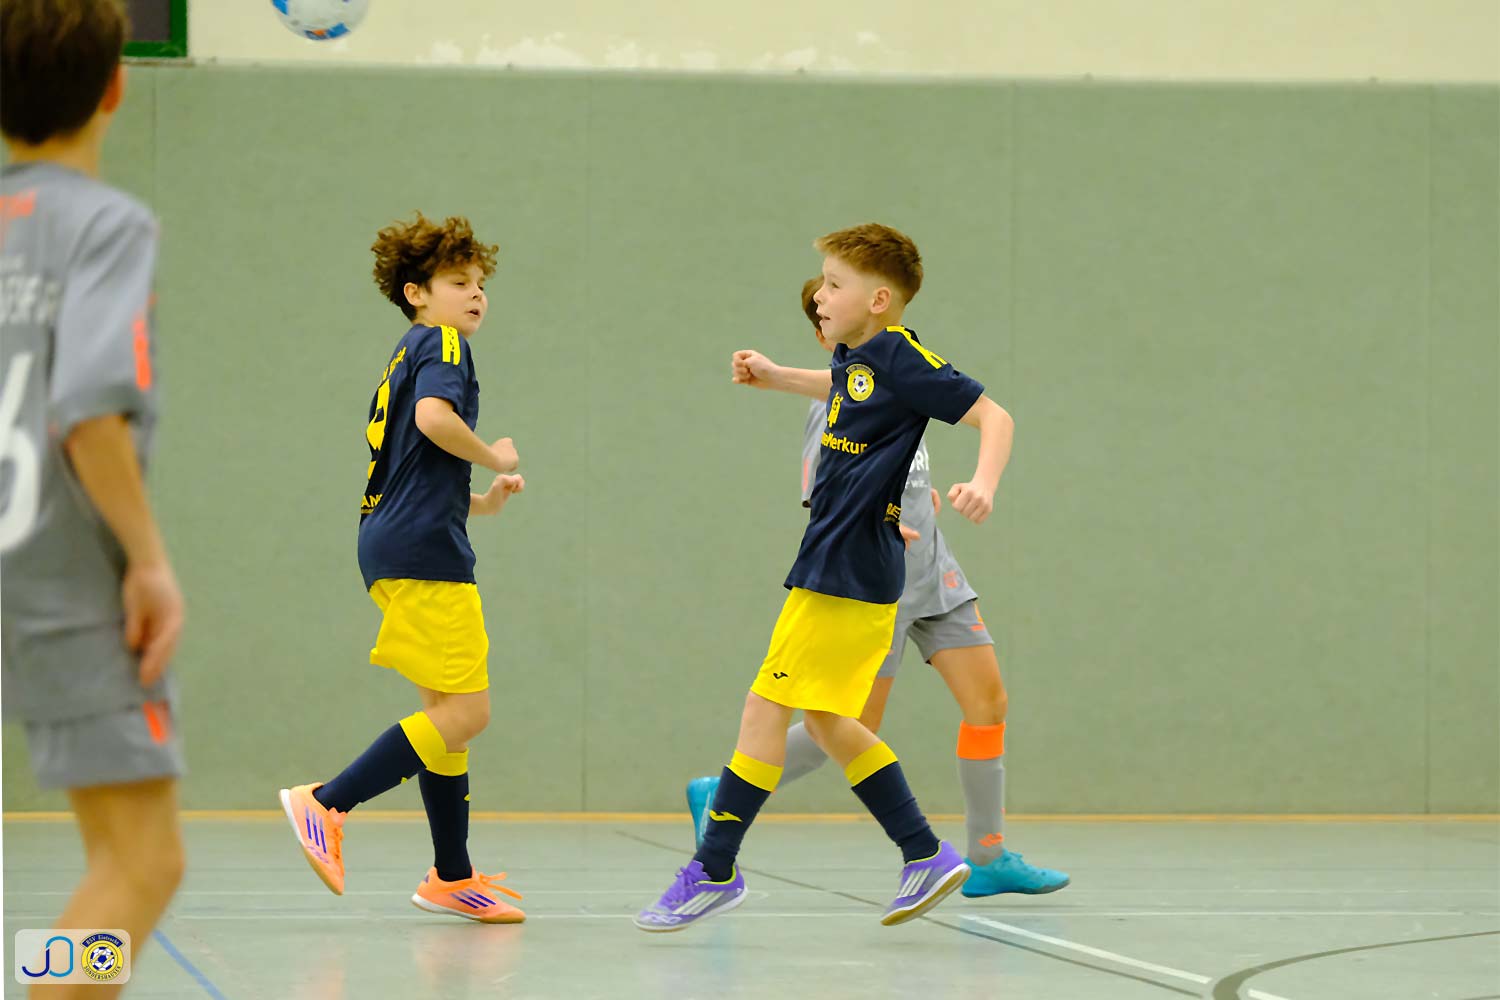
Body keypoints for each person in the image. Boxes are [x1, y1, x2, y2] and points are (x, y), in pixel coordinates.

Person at [636, 223, 1014, 932]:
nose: (821, 297)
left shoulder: (901, 356)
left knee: (767, 712)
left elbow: (994, 416)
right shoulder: (863, 360)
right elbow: (845, 386)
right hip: (839, 562)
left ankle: (715, 868)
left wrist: (983, 484)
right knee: (830, 723)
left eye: (835, 285)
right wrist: (778, 376)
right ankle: (923, 853)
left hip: (848, 568)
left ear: (878, 299)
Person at [687, 276, 1068, 898]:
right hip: (874, 579)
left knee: (989, 701)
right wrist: (887, 523)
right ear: (827, 337)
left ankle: (987, 854)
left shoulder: (899, 380)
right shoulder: (833, 406)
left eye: (840, 288)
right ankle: (723, 793)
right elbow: (825, 496)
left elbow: (930, 445)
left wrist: (933, 498)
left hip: (935, 573)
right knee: (843, 725)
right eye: (825, 301)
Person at [1, 1, 186, 991]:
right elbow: (87, 410)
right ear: (115, 87)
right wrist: (149, 561)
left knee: (110, 859)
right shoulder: (108, 224)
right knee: (144, 862)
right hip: (64, 583)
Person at [278, 213, 527, 924]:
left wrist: (481, 501)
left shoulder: (404, 353)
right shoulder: (443, 343)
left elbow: (411, 469)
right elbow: (433, 422)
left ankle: (452, 876)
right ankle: (327, 803)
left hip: (392, 539)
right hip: (423, 552)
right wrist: (495, 455)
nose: (475, 294)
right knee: (468, 713)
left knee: (445, 718)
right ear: (417, 293)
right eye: (458, 282)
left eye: (480, 284)